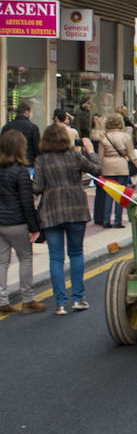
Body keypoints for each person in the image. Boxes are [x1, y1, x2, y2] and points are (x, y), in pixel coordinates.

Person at [33, 123, 101, 315]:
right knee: (76, 253)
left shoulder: (41, 160)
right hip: (76, 208)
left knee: (56, 258)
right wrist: (91, 151)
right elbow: (97, 169)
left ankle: (60, 303)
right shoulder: (75, 156)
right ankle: (78, 299)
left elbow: (37, 188)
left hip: (51, 210)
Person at [0, 129, 44, 314]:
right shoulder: (21, 172)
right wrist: (34, 227)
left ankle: (2, 301)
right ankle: (28, 299)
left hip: (0, 222)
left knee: (2, 262)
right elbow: (27, 202)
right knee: (25, 258)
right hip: (17, 222)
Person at [94, 114, 137, 229]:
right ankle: (117, 220)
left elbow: (100, 157)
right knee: (120, 194)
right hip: (121, 166)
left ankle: (106, 220)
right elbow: (131, 155)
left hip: (107, 167)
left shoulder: (103, 137)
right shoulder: (125, 137)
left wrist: (99, 170)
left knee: (108, 194)